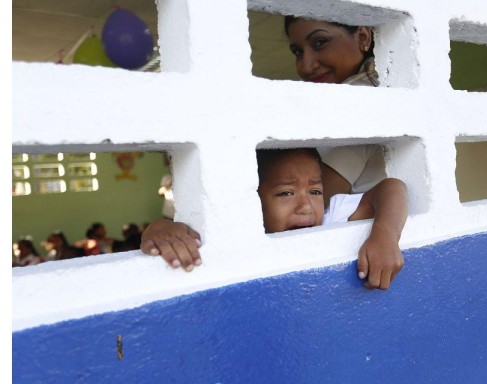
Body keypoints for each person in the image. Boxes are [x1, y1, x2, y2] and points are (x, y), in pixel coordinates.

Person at [142, 148, 407, 290]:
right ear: (253, 200)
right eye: (285, 193)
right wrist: (158, 228)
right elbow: (177, 233)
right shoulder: (238, 229)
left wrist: (385, 234)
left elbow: (392, 187)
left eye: (315, 191)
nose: (305, 206)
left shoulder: (330, 217)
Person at [284, 16, 387, 206]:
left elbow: (313, 202)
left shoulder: (361, 102)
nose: (307, 66)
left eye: (320, 42)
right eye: (298, 51)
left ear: (363, 37)